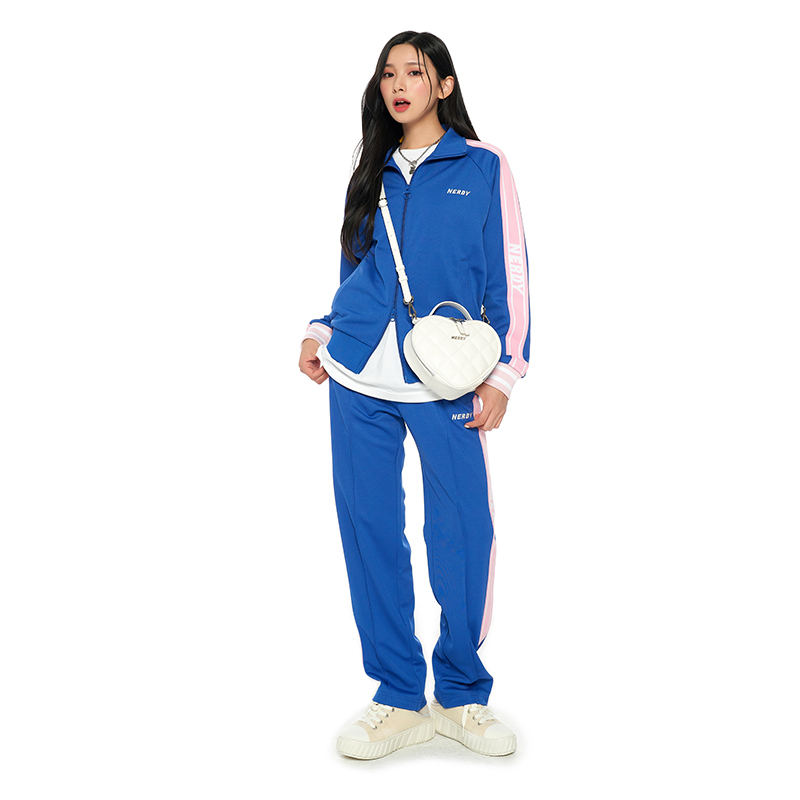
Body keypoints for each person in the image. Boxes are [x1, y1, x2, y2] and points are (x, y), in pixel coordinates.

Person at [299, 31, 530, 759]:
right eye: (389, 73)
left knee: (462, 531)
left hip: (447, 377)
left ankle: (461, 693)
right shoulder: (369, 170)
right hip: (356, 374)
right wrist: (321, 330)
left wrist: (504, 373)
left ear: (445, 85)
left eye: (415, 72)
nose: (399, 85)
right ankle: (398, 694)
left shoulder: (484, 165)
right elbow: (354, 269)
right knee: (369, 530)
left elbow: (511, 273)